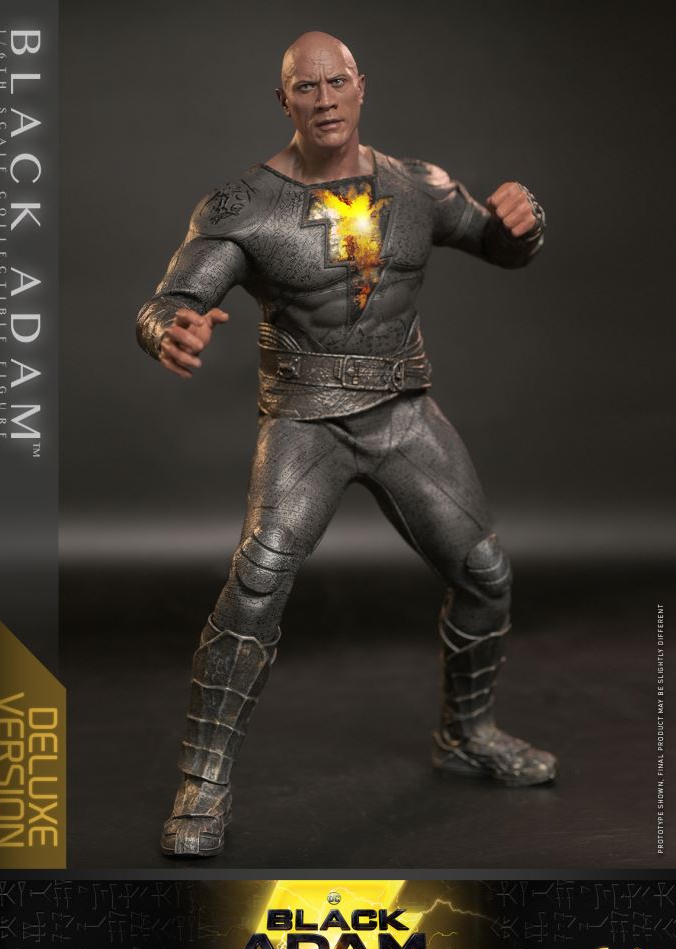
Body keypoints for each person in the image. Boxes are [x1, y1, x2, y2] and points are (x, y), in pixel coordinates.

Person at [136, 31, 556, 858]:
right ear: (283, 100)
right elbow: (171, 298)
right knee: (256, 585)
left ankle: (465, 733)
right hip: (305, 420)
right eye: (305, 87)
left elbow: (497, 245)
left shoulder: (419, 185)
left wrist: (523, 224)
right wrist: (169, 331)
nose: (323, 100)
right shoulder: (243, 207)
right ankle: (203, 782)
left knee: (485, 576)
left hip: (402, 413)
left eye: (336, 83)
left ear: (361, 86)